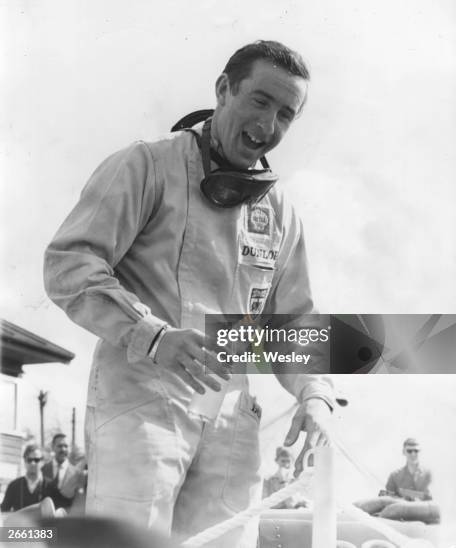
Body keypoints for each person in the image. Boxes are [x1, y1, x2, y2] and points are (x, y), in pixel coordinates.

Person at [43, 40, 344, 547]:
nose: (269, 126)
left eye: (286, 114)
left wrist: (316, 395)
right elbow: (70, 264)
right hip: (141, 400)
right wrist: (155, 336)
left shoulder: (283, 213)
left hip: (232, 420)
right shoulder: (145, 166)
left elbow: (294, 324)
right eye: (260, 100)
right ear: (223, 89)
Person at [354, 438, 440, 523]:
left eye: (416, 451)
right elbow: (388, 498)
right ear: (404, 452)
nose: (413, 454)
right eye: (409, 451)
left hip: (426, 518)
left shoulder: (428, 475)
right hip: (402, 520)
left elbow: (432, 498)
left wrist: (406, 493)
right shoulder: (395, 475)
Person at [41, 434, 85, 511]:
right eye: (60, 446)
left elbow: (79, 503)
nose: (63, 449)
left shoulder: (77, 474)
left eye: (66, 446)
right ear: (53, 447)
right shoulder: (43, 470)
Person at [1, 444, 46, 512]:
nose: (33, 463)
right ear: (24, 461)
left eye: (36, 460)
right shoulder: (13, 486)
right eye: (29, 460)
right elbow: (4, 512)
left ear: (43, 462)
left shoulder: (51, 487)